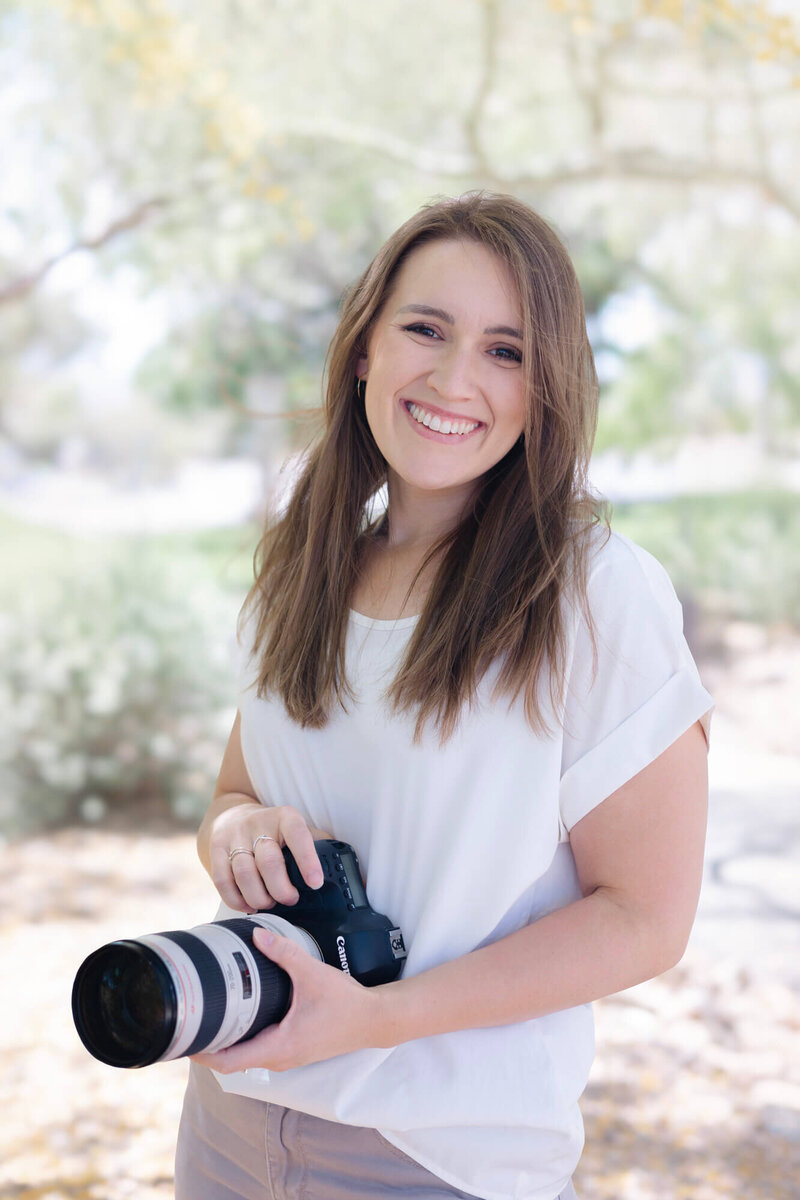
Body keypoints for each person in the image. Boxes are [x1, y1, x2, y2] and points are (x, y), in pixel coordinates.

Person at [174, 192, 712, 1200]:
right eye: (425, 328)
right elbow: (229, 799)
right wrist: (238, 831)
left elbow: (644, 917)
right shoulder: (302, 567)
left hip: (435, 1155)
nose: (454, 377)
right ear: (365, 347)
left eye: (505, 351)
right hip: (231, 1119)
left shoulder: (593, 590)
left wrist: (378, 1018)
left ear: (546, 386)